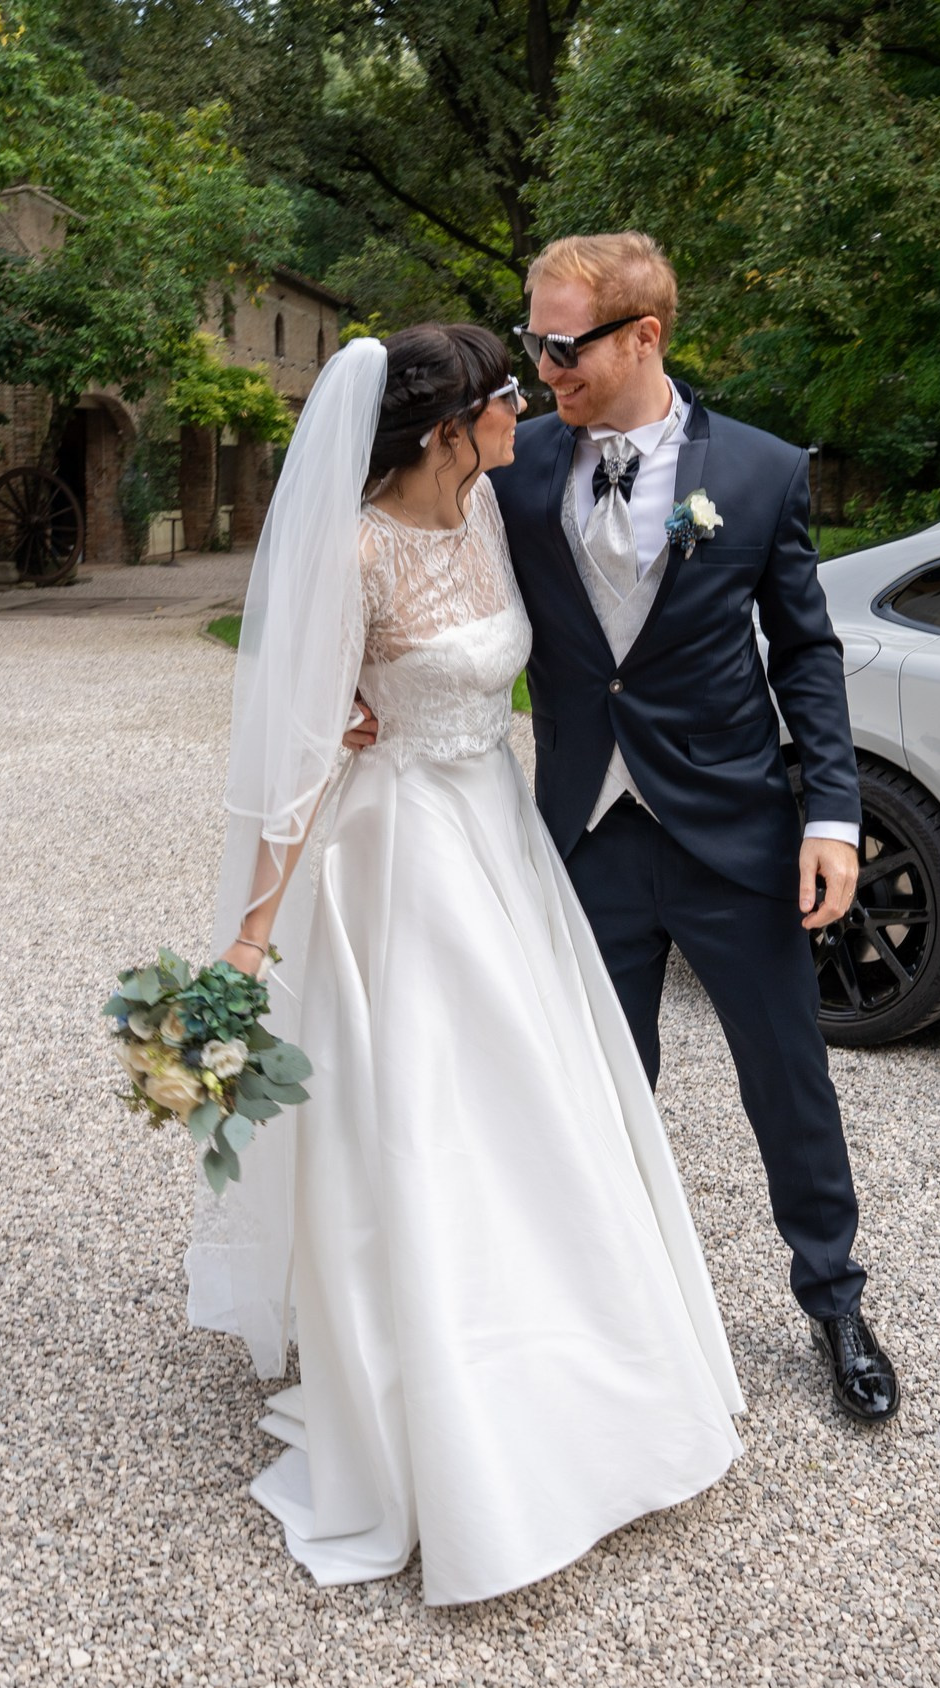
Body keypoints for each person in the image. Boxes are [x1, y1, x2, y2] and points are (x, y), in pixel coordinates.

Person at [185, 324, 743, 1606]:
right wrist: (254, 930)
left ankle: (587, 1364)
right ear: (449, 428)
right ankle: (447, 1407)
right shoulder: (354, 548)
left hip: (502, 834)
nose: (525, 414)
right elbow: (303, 751)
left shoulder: (494, 504)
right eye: (504, 398)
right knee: (434, 1120)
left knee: (542, 1101)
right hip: (404, 860)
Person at [488, 232, 898, 1423]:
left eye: (561, 345)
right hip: (584, 829)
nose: (543, 366)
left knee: (788, 1076)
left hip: (733, 827)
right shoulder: (514, 471)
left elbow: (806, 653)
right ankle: (613, 1310)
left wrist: (831, 811)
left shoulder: (762, 474)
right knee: (603, 1083)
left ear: (641, 337)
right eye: (534, 340)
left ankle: (834, 1301)